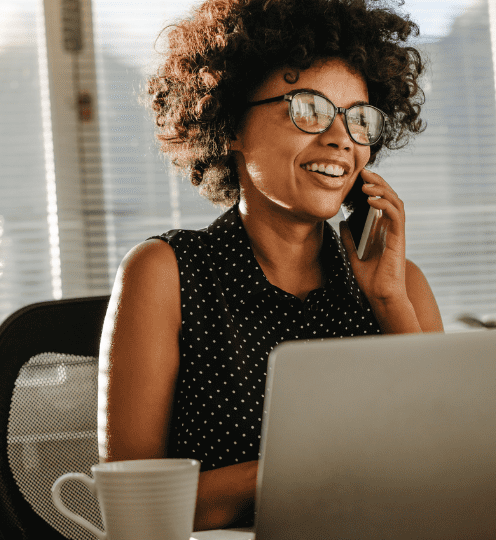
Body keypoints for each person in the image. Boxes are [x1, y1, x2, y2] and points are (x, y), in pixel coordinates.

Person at [97, 0, 444, 530]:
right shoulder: (165, 273)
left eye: (360, 119)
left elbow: (452, 471)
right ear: (231, 123)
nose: (340, 139)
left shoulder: (399, 285)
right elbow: (133, 506)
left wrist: (390, 302)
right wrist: (309, 470)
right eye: (308, 108)